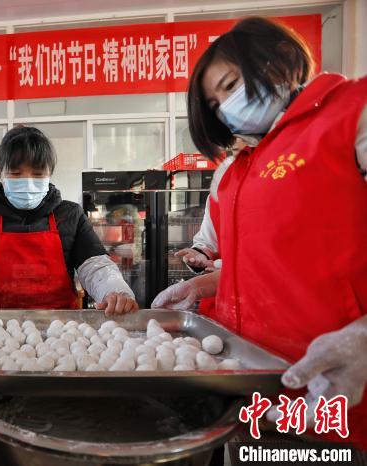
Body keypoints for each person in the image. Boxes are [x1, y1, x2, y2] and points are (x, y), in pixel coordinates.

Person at [153, 17, 367, 448]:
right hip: (255, 401)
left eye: (232, 84)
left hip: (338, 402)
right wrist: (209, 284)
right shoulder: (239, 169)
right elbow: (274, 263)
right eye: (215, 104)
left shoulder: (352, 114)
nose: (227, 106)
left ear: (280, 59)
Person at [0, 126, 138, 319]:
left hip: (62, 328)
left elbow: (95, 266)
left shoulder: (70, 214)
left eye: (37, 174)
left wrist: (113, 290)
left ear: (50, 173)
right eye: (16, 174)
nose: (27, 181)